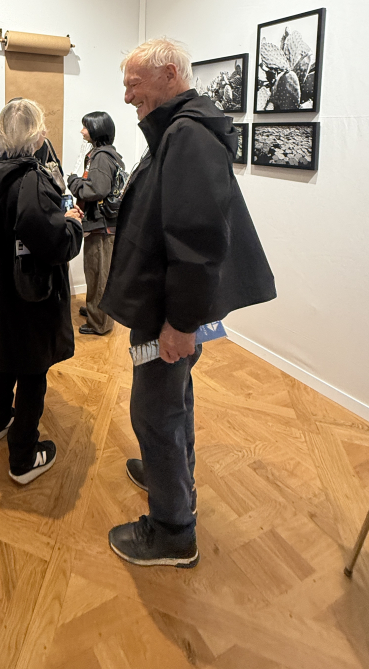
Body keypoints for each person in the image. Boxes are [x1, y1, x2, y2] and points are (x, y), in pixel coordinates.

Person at [100, 38, 276, 568]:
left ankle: (173, 531)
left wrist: (180, 324)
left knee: (154, 412)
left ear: (170, 75)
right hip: (164, 303)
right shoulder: (176, 131)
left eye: (134, 84)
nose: (127, 96)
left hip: (168, 311)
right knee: (172, 399)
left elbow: (197, 242)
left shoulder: (187, 136)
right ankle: (170, 476)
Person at [0, 98, 84, 484]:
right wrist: (72, 223)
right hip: (29, 296)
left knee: (7, 358)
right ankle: (23, 458)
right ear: (35, 134)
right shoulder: (32, 180)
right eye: (43, 128)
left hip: (2, 290)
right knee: (33, 369)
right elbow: (53, 243)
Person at [66, 111, 125, 336]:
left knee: (99, 274)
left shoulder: (100, 157)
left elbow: (96, 190)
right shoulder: (109, 154)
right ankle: (95, 310)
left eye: (86, 127)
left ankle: (100, 323)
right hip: (103, 224)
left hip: (102, 227)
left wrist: (73, 182)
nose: (82, 131)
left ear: (97, 130)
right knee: (95, 272)